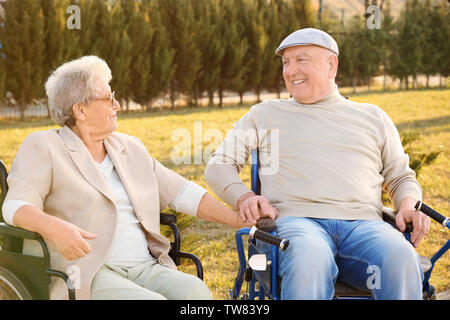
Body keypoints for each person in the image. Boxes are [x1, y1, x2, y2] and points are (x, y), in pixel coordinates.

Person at [204, 28, 430, 300]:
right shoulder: (265, 114)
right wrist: (244, 198)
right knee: (309, 259)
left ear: (331, 65)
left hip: (365, 226)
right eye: (286, 63)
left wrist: (407, 204)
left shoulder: (372, 117)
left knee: (401, 257)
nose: (290, 71)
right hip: (297, 224)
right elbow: (219, 164)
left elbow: (401, 177)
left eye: (301, 60)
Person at [2, 55, 250, 300]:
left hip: (144, 267)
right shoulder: (44, 146)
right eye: (108, 98)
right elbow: (15, 207)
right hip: (86, 273)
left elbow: (182, 192)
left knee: (195, 292)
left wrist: (237, 219)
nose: (117, 105)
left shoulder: (129, 147)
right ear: (80, 110)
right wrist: (55, 229)